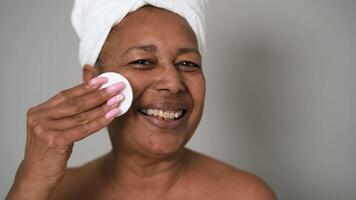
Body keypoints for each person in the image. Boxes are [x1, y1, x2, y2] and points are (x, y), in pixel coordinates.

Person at [7, 1, 276, 200]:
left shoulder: (245, 194)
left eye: (188, 63)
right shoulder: (52, 192)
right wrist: (31, 183)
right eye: (143, 61)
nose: (173, 83)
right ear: (94, 80)